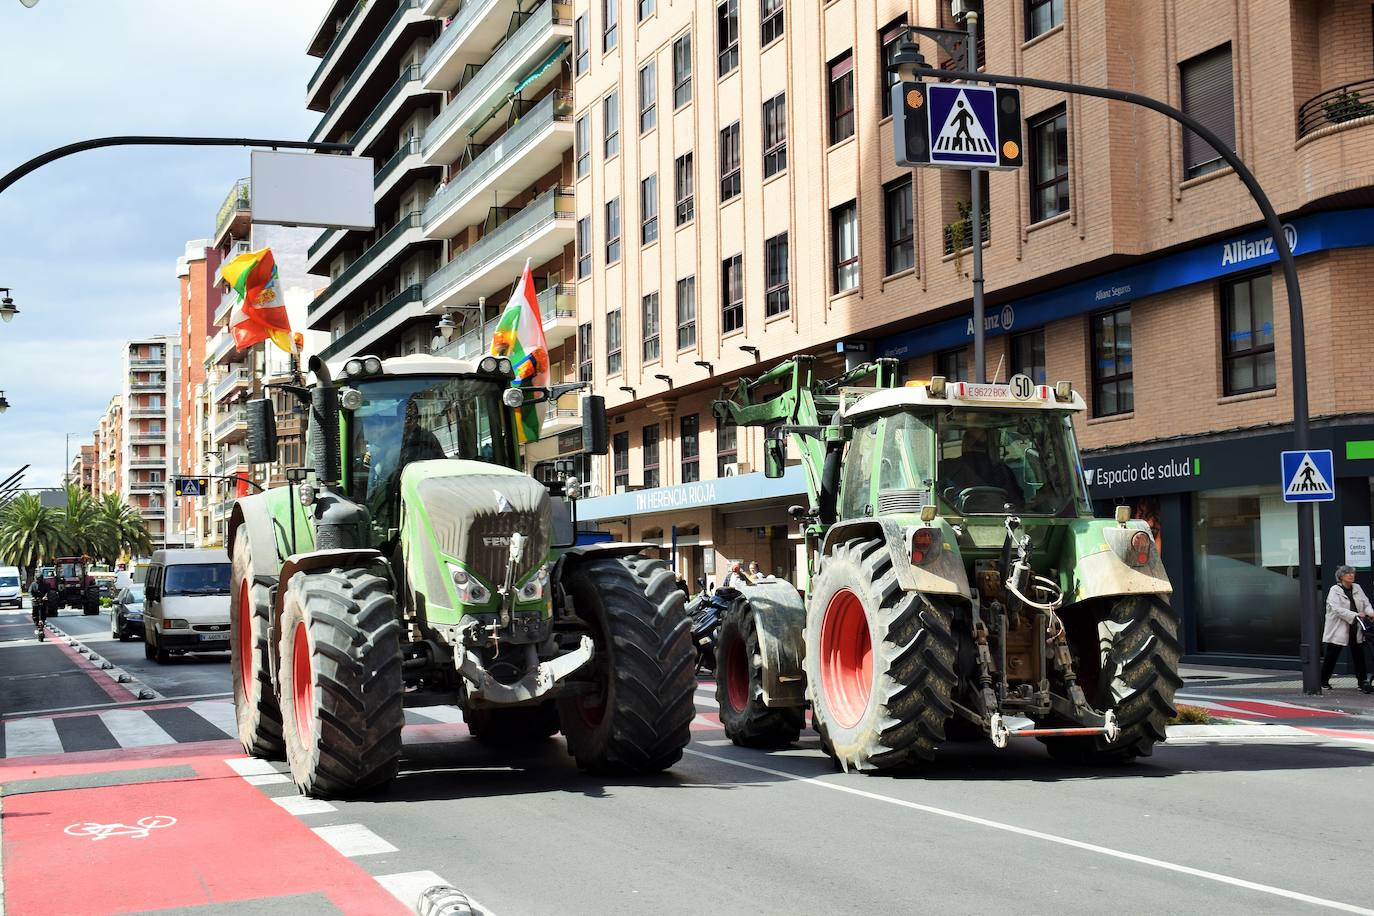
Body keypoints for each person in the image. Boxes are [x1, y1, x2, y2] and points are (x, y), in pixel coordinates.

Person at [1320, 565, 1373, 693]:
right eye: (1348, 573)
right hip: (1339, 627)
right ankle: (1323, 681)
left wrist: (1371, 613)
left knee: (1358, 656)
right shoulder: (1335, 590)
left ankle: (1362, 683)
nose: (1351, 575)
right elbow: (1336, 609)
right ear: (1341, 576)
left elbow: (1366, 603)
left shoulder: (1357, 587)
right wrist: (1355, 615)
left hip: (1356, 627)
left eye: (1352, 573)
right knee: (1332, 655)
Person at [940, 426, 1021, 501]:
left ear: (966, 444)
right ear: (990, 445)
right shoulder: (1004, 471)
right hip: (1002, 514)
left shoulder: (945, 467)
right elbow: (1017, 501)